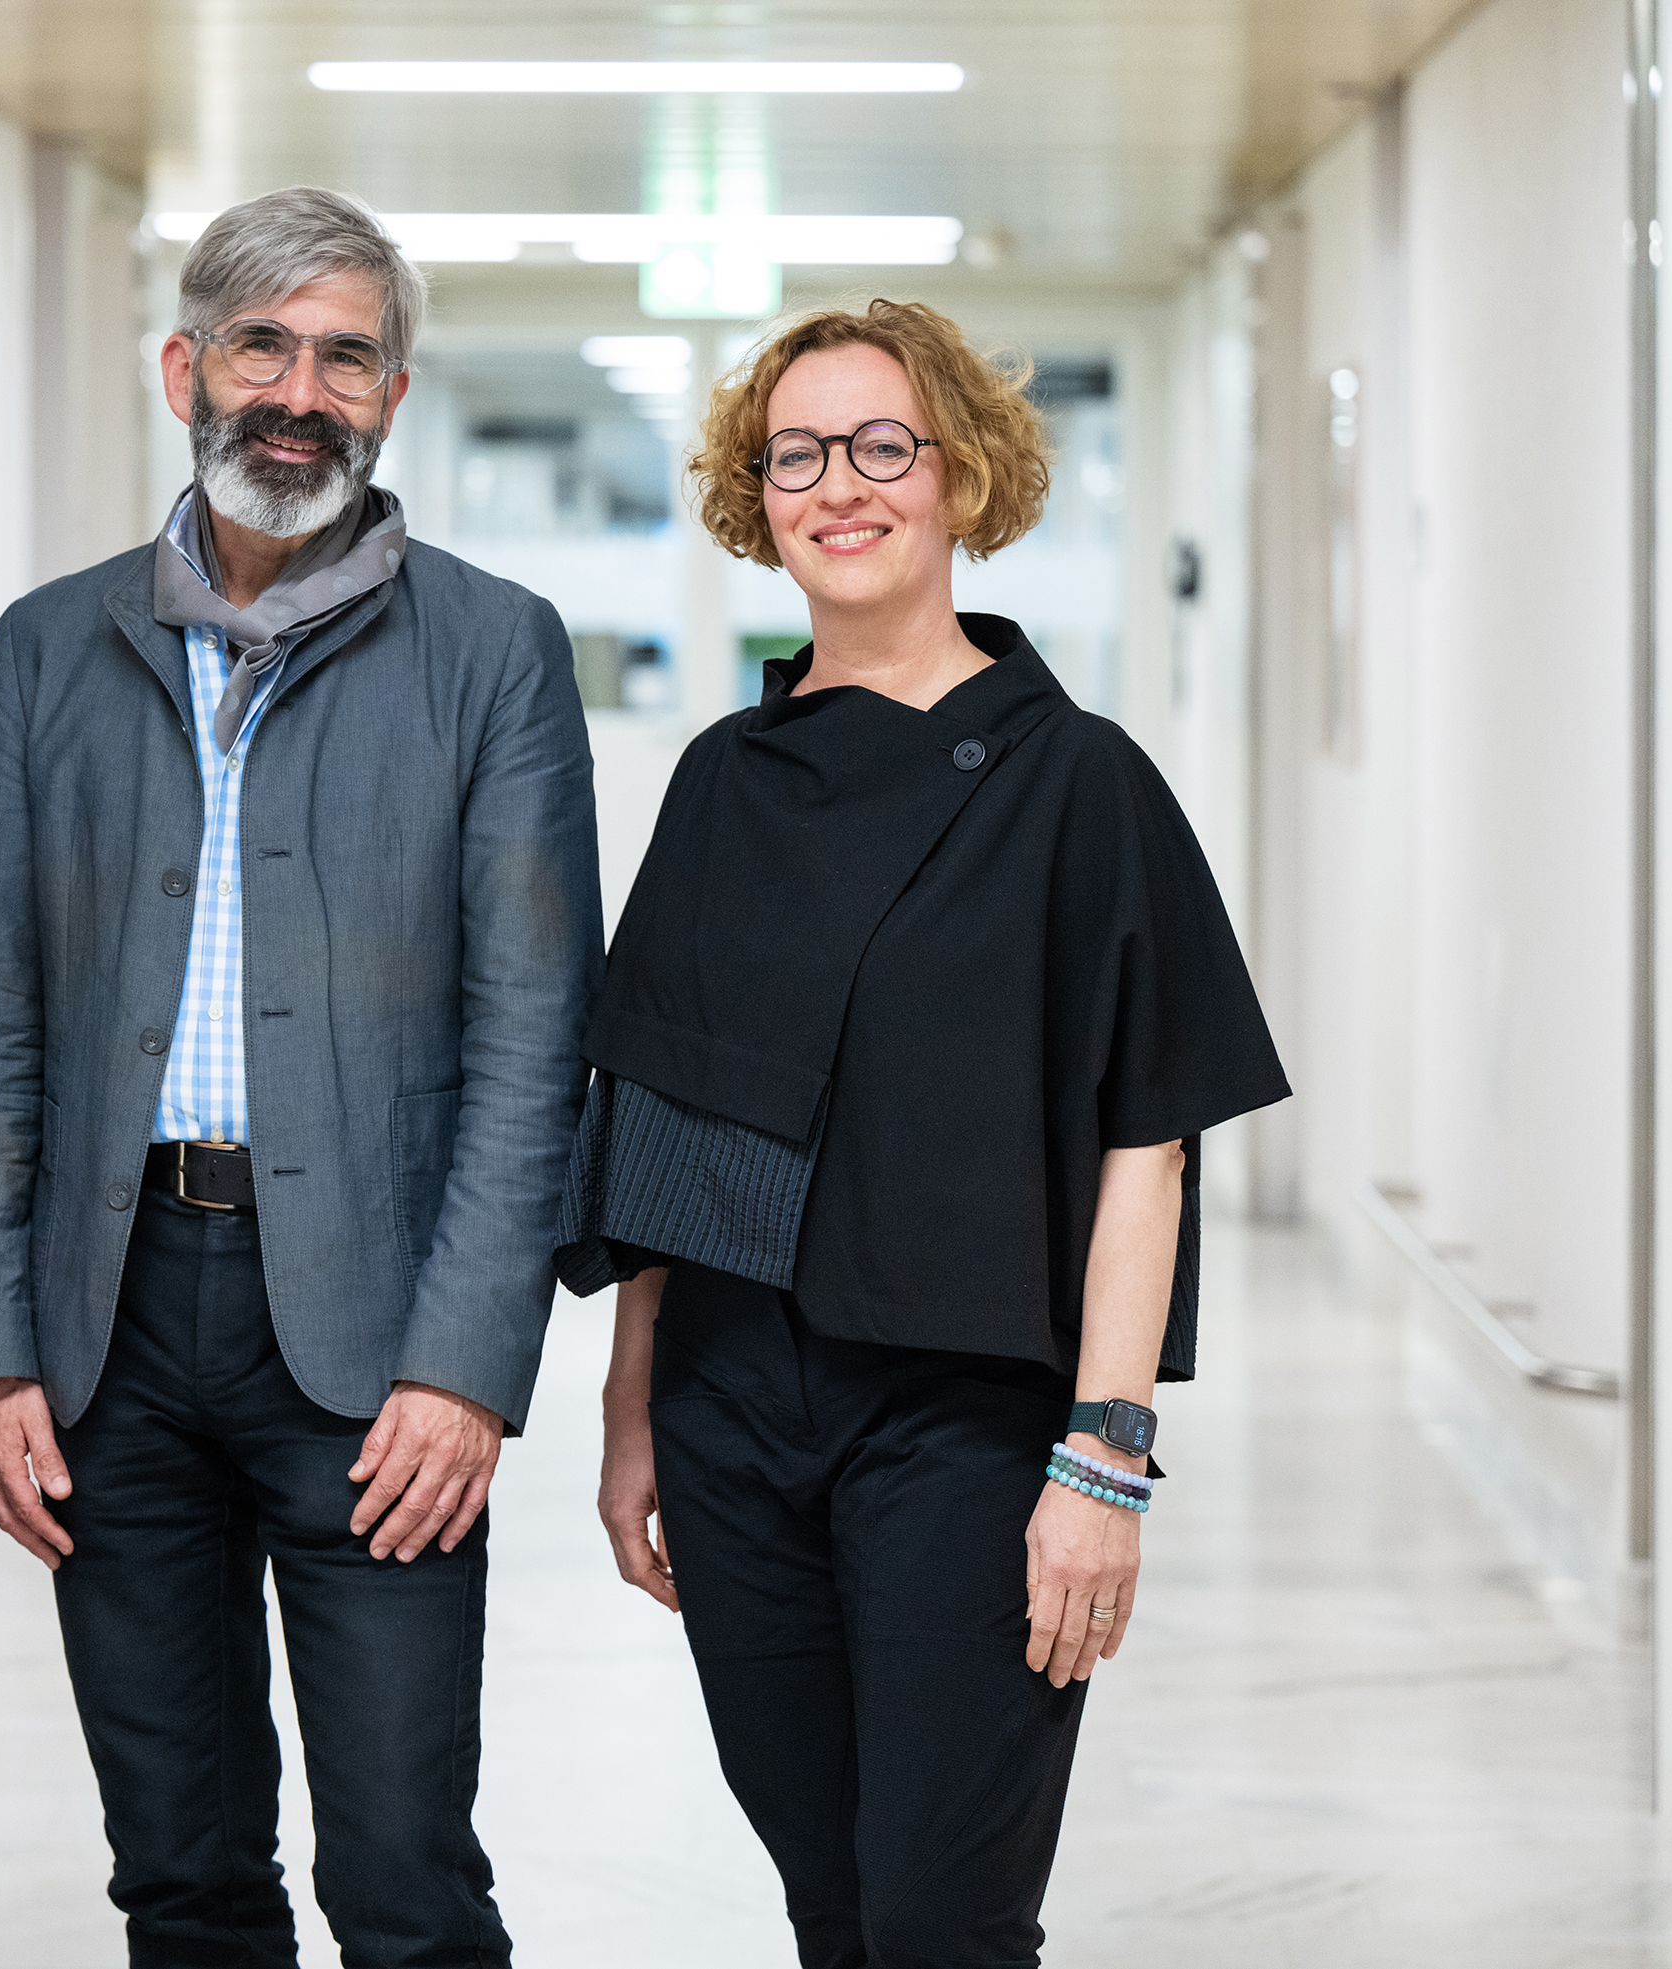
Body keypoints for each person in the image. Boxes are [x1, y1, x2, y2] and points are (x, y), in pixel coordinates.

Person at [568, 299, 1291, 1969]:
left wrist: (1101, 1459)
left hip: (967, 1427)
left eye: (882, 445)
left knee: (942, 1922)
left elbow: (1147, 1142)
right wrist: (630, 1410)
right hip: (735, 1418)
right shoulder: (720, 782)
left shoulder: (1078, 785)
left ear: (960, 473)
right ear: (761, 495)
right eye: (798, 453)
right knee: (829, 1905)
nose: (841, 485)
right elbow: (664, 1124)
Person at [0, 185, 602, 1968]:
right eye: (260, 346)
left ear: (391, 394)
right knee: (180, 1872)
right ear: (184, 368)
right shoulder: (49, 647)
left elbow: (536, 1035)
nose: (297, 393)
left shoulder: (492, 650)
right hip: (111, 1329)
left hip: (375, 1344)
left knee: (400, 1877)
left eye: (345, 357)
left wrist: (465, 1369)